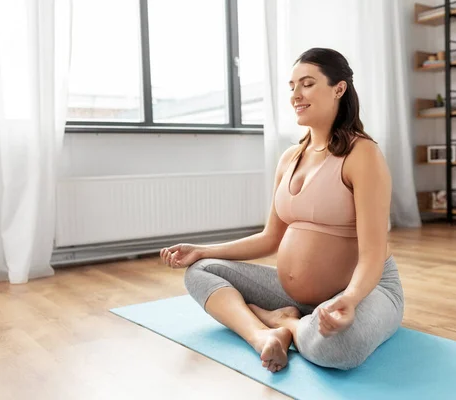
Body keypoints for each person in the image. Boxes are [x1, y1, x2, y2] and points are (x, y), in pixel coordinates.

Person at [160, 48, 404, 373]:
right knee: (201, 270)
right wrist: (203, 250)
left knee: (341, 349)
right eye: (292, 87)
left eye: (306, 84)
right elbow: (270, 237)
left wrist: (351, 299)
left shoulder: (362, 154)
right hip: (299, 296)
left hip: (365, 289)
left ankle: (288, 325)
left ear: (339, 88)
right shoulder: (290, 157)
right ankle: (264, 334)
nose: (296, 96)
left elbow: (373, 254)